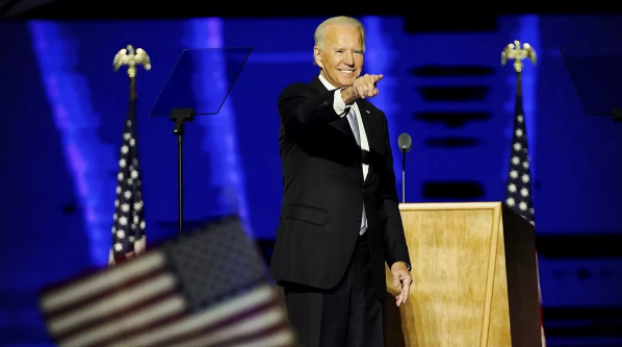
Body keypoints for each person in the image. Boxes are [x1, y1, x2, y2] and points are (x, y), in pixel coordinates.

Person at [269, 16, 413, 347]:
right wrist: (347, 95)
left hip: (367, 267)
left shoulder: (375, 119)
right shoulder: (297, 98)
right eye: (340, 51)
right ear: (319, 56)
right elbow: (306, 117)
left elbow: (384, 195)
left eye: (358, 51)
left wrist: (399, 260)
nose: (350, 60)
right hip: (315, 265)